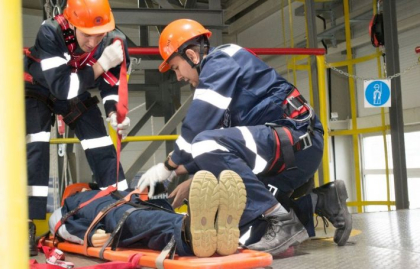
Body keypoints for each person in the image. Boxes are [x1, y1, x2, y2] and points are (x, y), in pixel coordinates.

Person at [137, 19, 352, 256]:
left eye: (176, 67)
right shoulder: (224, 79)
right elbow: (222, 154)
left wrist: (167, 167)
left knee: (204, 143)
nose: (178, 77)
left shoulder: (220, 61)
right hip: (286, 152)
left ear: (191, 55)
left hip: (296, 142)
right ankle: (322, 201)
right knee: (245, 230)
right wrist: (182, 176)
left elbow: (198, 131)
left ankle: (280, 220)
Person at [25, 0, 130, 256]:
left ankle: (127, 208)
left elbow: (109, 86)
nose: (94, 43)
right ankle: (27, 223)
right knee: (36, 146)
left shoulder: (114, 41)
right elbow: (62, 87)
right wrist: (101, 64)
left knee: (101, 144)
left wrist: (114, 114)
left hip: (78, 87)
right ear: (72, 23)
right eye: (87, 35)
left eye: (99, 35)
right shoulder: (50, 31)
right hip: (38, 89)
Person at [49, 170, 247, 258]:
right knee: (144, 221)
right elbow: (58, 223)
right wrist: (89, 236)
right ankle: (191, 233)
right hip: (112, 215)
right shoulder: (70, 203)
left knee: (151, 221)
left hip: (134, 203)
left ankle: (204, 228)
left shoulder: (111, 191)